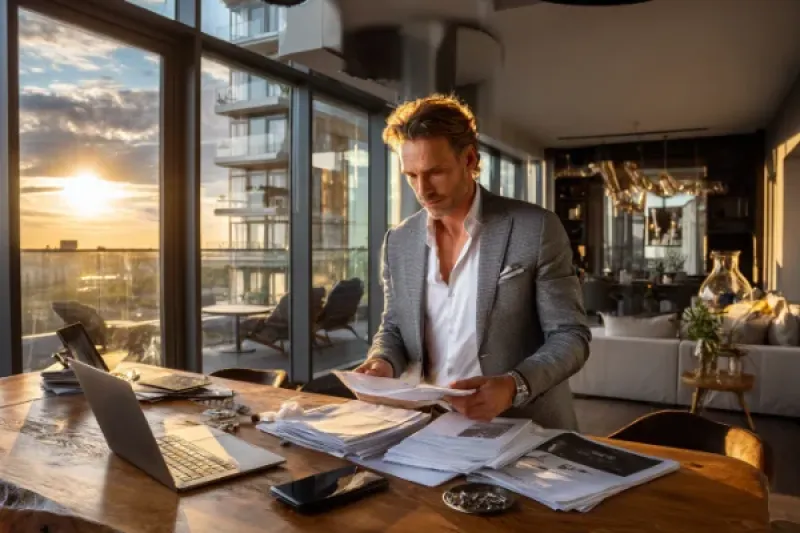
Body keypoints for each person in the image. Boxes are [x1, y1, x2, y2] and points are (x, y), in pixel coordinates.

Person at [355, 94, 591, 430]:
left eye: (435, 172)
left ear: (469, 159)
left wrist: (513, 385)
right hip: (430, 428)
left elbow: (571, 336)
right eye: (411, 175)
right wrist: (382, 362)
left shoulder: (535, 229)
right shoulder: (399, 241)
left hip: (524, 428)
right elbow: (394, 326)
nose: (423, 190)